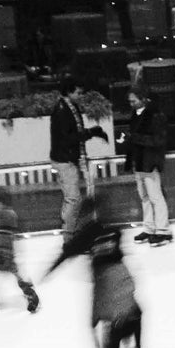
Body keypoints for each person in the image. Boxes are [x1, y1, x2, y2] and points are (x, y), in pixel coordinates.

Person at [47, 196, 145, 348]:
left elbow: (68, 253)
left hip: (105, 286)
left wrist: (49, 270)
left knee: (103, 326)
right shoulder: (109, 229)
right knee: (112, 329)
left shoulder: (91, 231)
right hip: (117, 283)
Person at [50, 80, 108, 236]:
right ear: (69, 92)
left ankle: (71, 231)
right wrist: (91, 133)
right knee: (74, 199)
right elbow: (68, 138)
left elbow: (75, 132)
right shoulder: (62, 110)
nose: (80, 96)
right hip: (64, 160)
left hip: (69, 158)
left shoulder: (71, 107)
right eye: (78, 92)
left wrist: (90, 133)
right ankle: (69, 235)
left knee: (72, 198)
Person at [123, 87, 173, 245]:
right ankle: (150, 227)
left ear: (143, 99)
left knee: (155, 197)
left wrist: (134, 138)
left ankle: (163, 230)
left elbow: (158, 141)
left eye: (134, 101)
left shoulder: (156, 115)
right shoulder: (136, 115)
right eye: (130, 101)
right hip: (138, 162)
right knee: (145, 197)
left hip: (149, 162)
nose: (131, 104)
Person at [0, 185, 40, 314]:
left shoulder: (8, 214)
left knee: (16, 274)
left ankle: (31, 296)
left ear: (1, 201)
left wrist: (6, 251)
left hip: (6, 252)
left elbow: (7, 234)